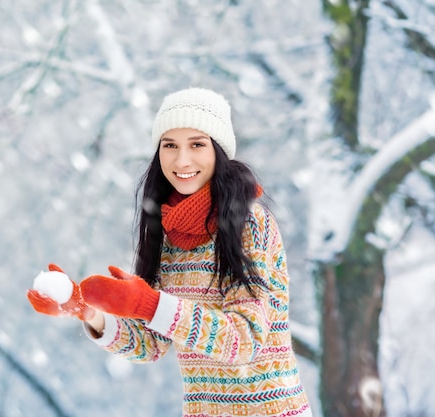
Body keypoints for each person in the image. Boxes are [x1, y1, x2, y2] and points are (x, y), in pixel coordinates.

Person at [27, 87, 312, 417]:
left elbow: (242, 342)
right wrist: (90, 313)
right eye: (170, 146)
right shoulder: (168, 233)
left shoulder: (250, 223)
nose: (182, 160)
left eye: (196, 145)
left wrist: (149, 304)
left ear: (219, 151)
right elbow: (151, 344)